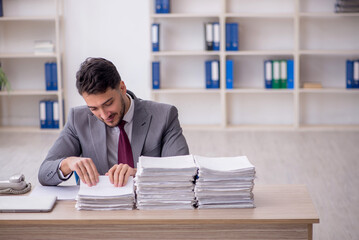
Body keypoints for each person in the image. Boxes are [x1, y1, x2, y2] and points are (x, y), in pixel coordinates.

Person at [38, 57, 189, 187]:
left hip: (148, 208)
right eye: (94, 108)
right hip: (98, 212)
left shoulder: (164, 115)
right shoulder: (78, 119)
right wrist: (67, 163)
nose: (103, 115)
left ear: (122, 88)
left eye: (108, 103)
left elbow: (182, 173)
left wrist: (138, 174)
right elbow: (44, 173)